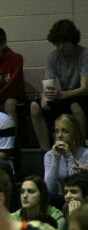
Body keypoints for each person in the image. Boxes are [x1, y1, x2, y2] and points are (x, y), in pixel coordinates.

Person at [30, 20, 88, 151]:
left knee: (75, 105)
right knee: (34, 106)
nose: (61, 46)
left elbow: (85, 88)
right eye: (58, 43)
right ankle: (45, 152)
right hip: (65, 97)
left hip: (81, 96)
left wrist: (63, 94)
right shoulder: (53, 57)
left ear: (72, 40)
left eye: (65, 42)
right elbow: (48, 83)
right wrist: (44, 96)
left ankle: (81, 149)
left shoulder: (84, 55)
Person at [44, 114, 88, 197]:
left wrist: (69, 156)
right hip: (60, 198)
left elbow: (73, 185)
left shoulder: (86, 154)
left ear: (74, 134)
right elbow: (48, 188)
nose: (60, 135)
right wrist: (56, 158)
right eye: (57, 131)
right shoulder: (49, 155)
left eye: (65, 131)